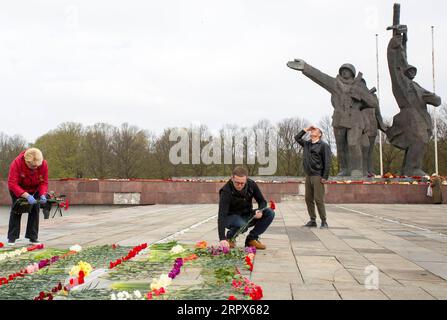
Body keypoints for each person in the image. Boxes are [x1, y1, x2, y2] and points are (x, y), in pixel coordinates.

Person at [288, 59, 380, 177]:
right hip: (339, 119)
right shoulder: (335, 84)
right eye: (343, 70)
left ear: (352, 73)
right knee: (340, 146)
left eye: (347, 71)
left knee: (353, 143)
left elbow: (373, 103)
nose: (345, 73)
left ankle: (357, 169)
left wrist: (361, 97)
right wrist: (305, 67)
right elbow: (320, 77)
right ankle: (344, 169)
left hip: (355, 120)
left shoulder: (359, 87)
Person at [218, 167, 275, 250]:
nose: (240, 185)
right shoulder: (226, 191)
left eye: (242, 183)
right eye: (237, 183)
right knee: (241, 224)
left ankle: (251, 239)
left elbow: (262, 202)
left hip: (247, 214)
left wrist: (260, 210)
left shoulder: (251, 184)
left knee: (270, 213)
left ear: (246, 179)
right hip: (231, 217)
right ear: (232, 178)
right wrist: (222, 238)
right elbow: (222, 215)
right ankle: (230, 238)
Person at [7, 148, 49, 246]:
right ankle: (12, 238)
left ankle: (33, 237)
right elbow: (12, 183)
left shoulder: (43, 164)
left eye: (36, 166)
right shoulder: (16, 163)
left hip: (35, 189)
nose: (35, 168)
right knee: (17, 210)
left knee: (35, 210)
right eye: (32, 166)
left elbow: (44, 182)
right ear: (27, 161)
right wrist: (26, 195)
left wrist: (42, 194)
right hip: (18, 189)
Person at [295, 126, 332, 229]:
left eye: (315, 130)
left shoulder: (323, 145)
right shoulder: (307, 144)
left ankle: (324, 221)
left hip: (318, 175)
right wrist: (306, 129)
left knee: (318, 199)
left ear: (319, 134)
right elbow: (297, 138)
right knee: (308, 199)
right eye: (312, 130)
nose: (312, 131)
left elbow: (327, 162)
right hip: (308, 175)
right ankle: (312, 220)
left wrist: (325, 176)